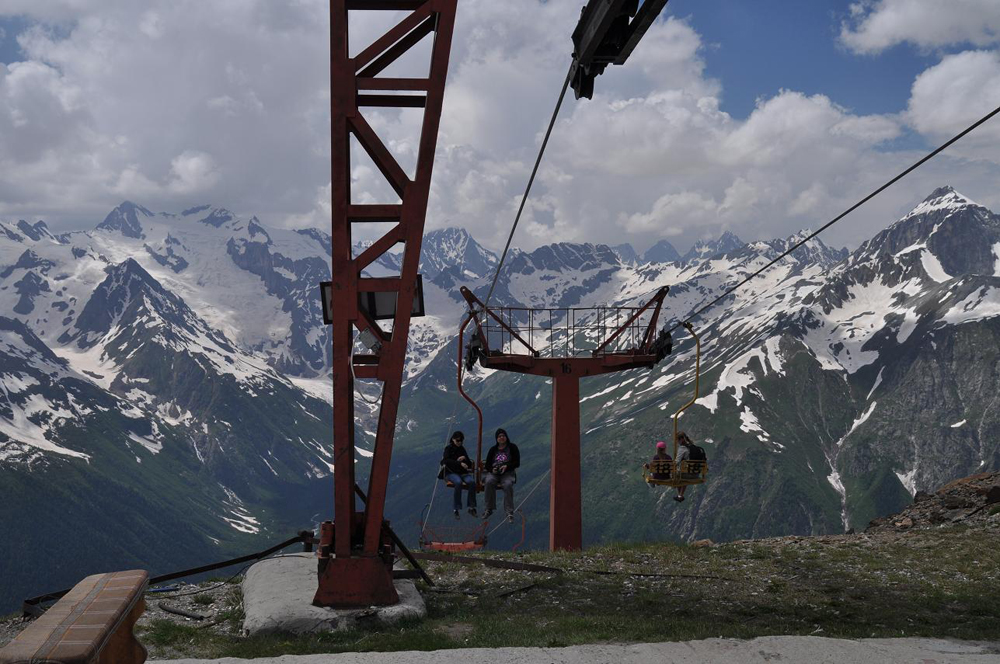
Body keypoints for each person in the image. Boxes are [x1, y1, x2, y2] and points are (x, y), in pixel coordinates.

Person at [483, 428, 520, 522]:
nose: (501, 438)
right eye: (499, 436)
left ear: (506, 437)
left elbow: (517, 463)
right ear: (496, 439)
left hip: (507, 472)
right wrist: (492, 469)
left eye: (503, 436)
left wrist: (506, 467)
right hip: (495, 472)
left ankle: (509, 512)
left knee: (507, 485)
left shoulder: (512, 447)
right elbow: (487, 465)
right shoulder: (493, 450)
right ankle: (489, 508)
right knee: (489, 481)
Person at [439, 430, 477, 519]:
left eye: (461, 441)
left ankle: (471, 507)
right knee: (458, 482)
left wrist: (465, 458)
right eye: (458, 440)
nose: (460, 442)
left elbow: (469, 464)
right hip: (451, 472)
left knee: (471, 482)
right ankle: (456, 509)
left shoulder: (462, 449)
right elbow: (445, 461)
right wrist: (459, 463)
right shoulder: (448, 449)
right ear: (453, 439)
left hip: (462, 473)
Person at [673, 431, 706, 502]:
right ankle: (680, 495)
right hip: (696, 474)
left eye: (678, 440)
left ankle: (679, 494)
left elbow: (676, 462)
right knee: (684, 472)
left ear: (681, 439)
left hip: (688, 474)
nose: (677, 442)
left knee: (676, 474)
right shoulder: (694, 447)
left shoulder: (682, 448)